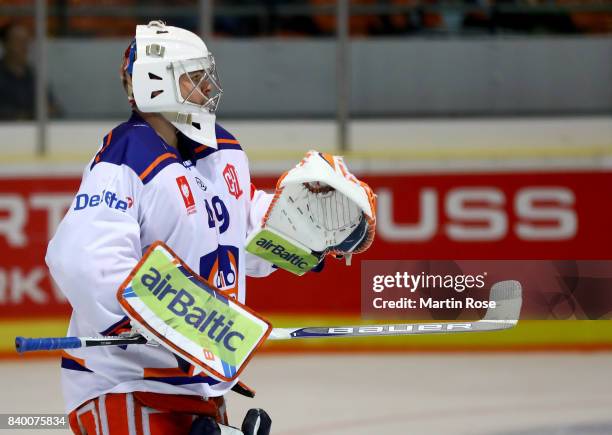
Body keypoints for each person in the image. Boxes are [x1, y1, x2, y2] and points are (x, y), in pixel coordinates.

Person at [46, 20, 374, 435]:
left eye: (205, 76)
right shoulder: (124, 157)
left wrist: (306, 232)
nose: (207, 88)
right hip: (125, 386)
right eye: (193, 78)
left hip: (198, 387)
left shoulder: (224, 152)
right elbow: (82, 259)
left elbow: (239, 227)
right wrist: (163, 321)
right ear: (155, 84)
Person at [0, 22, 61, 120]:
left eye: (26, 41)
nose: (24, 46)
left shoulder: (33, 76)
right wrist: (28, 115)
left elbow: (54, 108)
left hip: (34, 132)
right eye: (18, 41)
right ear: (5, 44)